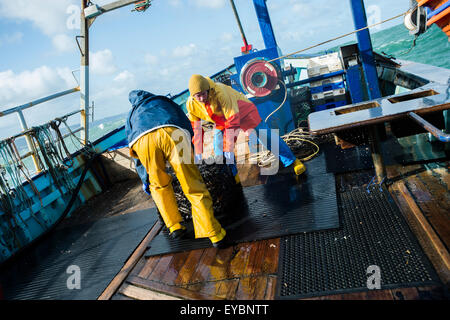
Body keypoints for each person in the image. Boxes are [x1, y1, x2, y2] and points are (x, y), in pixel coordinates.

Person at [125, 89, 228, 248]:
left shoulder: (131, 115)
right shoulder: (162, 101)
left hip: (143, 141)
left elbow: (134, 150)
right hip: (173, 133)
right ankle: (214, 235)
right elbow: (185, 123)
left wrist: (145, 179)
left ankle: (175, 227)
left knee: (158, 186)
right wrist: (191, 150)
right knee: (192, 185)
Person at [186, 74, 306, 176]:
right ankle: (233, 176)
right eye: (198, 96)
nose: (201, 98)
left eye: (203, 94)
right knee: (219, 151)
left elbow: (232, 121)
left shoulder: (220, 92)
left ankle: (292, 161)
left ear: (208, 89)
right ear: (193, 96)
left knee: (266, 136)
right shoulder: (191, 105)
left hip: (244, 112)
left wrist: (228, 146)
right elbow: (196, 131)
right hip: (221, 120)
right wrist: (198, 155)